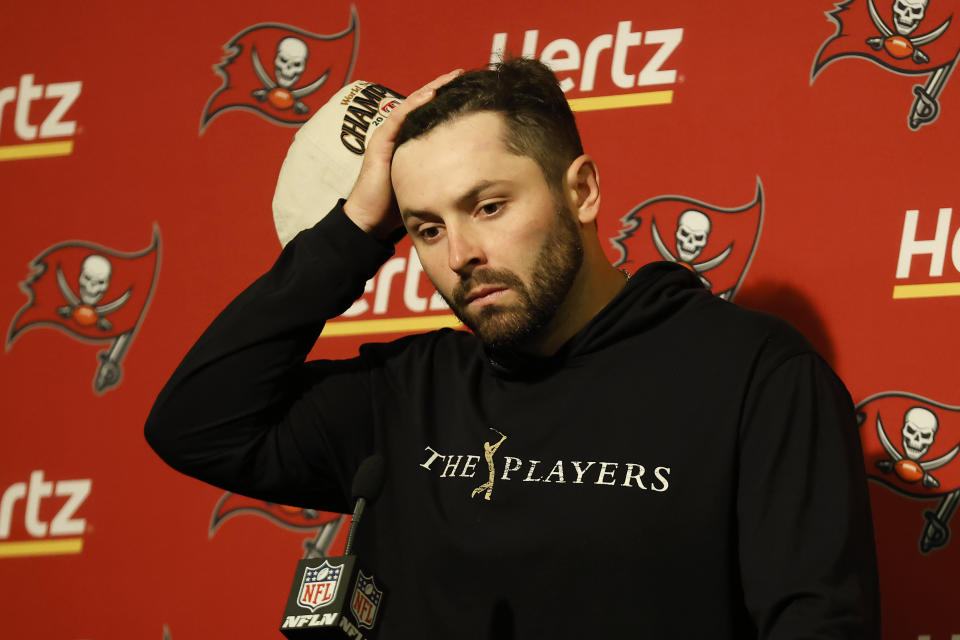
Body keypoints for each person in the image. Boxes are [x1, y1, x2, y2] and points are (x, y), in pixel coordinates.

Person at [145, 58, 880, 638]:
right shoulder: (412, 390)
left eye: (488, 206)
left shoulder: (753, 377)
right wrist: (355, 229)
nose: (460, 252)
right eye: (425, 228)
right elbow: (196, 424)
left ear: (582, 191)